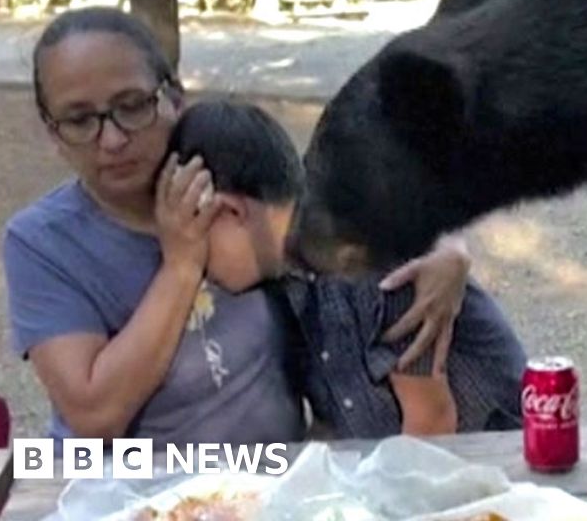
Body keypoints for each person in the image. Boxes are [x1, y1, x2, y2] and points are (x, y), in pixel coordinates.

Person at [2, 7, 470, 446]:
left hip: (268, 485)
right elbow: (93, 418)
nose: (113, 138)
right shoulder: (41, 242)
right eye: (80, 119)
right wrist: (181, 267)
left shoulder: (229, 164)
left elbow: (329, 203)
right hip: (118, 483)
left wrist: (447, 249)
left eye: (132, 104)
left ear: (175, 96)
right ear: (51, 132)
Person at [169, 100, 527, 437]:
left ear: (229, 211)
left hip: (494, 462)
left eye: (196, 239)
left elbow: (432, 424)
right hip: (404, 468)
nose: (199, 268)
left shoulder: (370, 251)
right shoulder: (286, 284)